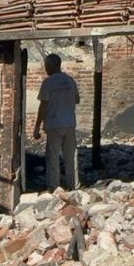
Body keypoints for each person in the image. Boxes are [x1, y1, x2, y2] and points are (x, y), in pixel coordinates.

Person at [33, 53, 80, 191]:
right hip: (69, 123)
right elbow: (77, 100)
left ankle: (54, 186)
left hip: (54, 124)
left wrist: (37, 127)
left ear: (53, 65)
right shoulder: (70, 81)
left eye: (47, 66)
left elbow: (43, 105)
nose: (45, 68)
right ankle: (74, 185)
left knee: (53, 156)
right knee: (71, 156)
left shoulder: (48, 83)